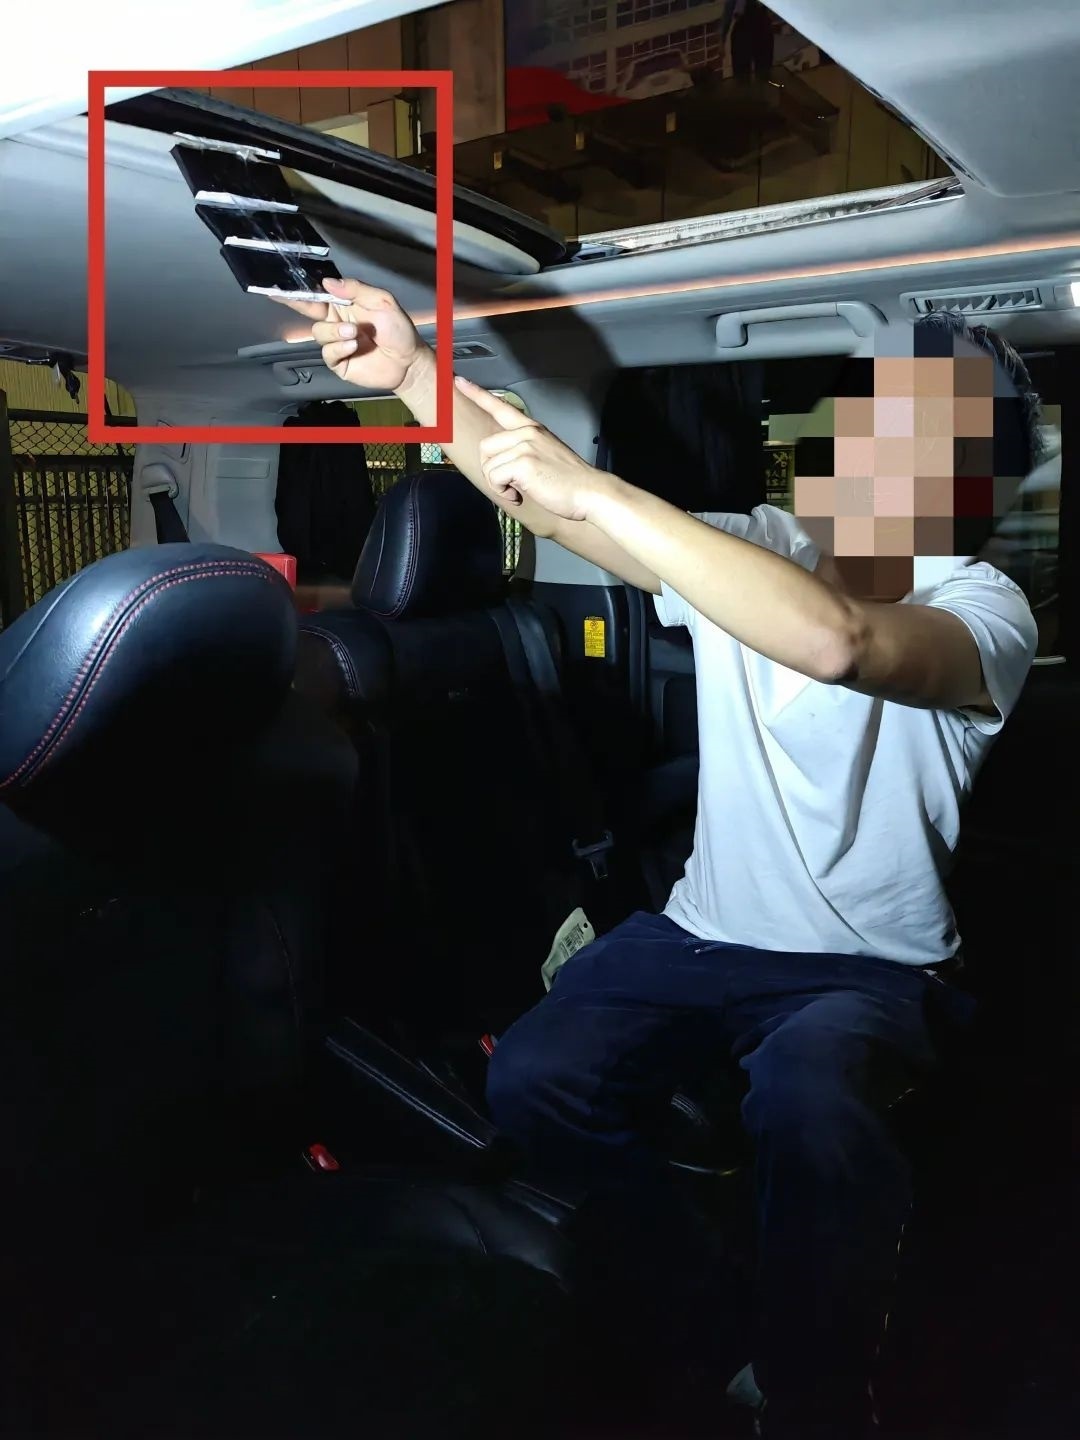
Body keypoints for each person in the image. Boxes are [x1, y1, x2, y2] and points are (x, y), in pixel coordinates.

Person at [281, 279, 1040, 1438]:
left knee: (812, 1109)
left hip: (869, 967)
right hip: (701, 934)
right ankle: (715, 1311)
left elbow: (840, 642)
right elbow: (568, 517)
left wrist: (603, 493)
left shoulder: (985, 608)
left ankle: (816, 1391)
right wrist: (417, 376)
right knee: (535, 1078)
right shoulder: (758, 542)